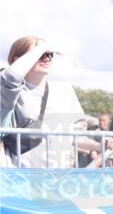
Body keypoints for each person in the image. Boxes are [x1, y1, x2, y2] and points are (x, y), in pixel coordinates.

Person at [1, 36, 92, 168]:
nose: (47, 58)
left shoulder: (66, 91)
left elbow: (76, 135)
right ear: (17, 60)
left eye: (50, 54)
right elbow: (11, 77)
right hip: (22, 178)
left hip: (60, 178)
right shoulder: (10, 91)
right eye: (40, 54)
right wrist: (42, 46)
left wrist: (101, 144)